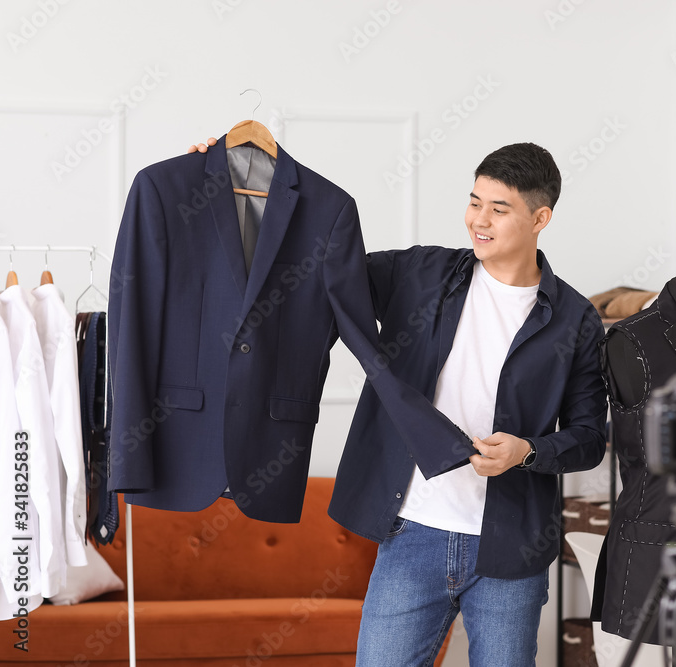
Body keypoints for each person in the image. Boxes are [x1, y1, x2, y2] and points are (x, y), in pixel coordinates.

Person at [188, 138, 608, 665]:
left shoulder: (576, 320)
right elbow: (321, 270)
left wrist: (527, 452)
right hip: (412, 536)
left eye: (499, 209)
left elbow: (591, 438)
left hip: (512, 550)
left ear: (540, 217)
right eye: (474, 201)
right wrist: (237, 187)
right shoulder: (422, 274)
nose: (479, 219)